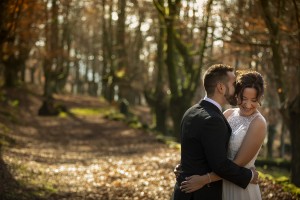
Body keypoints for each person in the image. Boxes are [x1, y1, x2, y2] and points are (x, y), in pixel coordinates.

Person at [171, 64, 259, 200]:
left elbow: (195, 151)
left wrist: (182, 168)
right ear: (221, 87)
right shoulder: (213, 120)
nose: (237, 89)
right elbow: (220, 165)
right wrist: (250, 176)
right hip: (201, 195)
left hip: (182, 193)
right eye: (234, 84)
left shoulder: (191, 111)